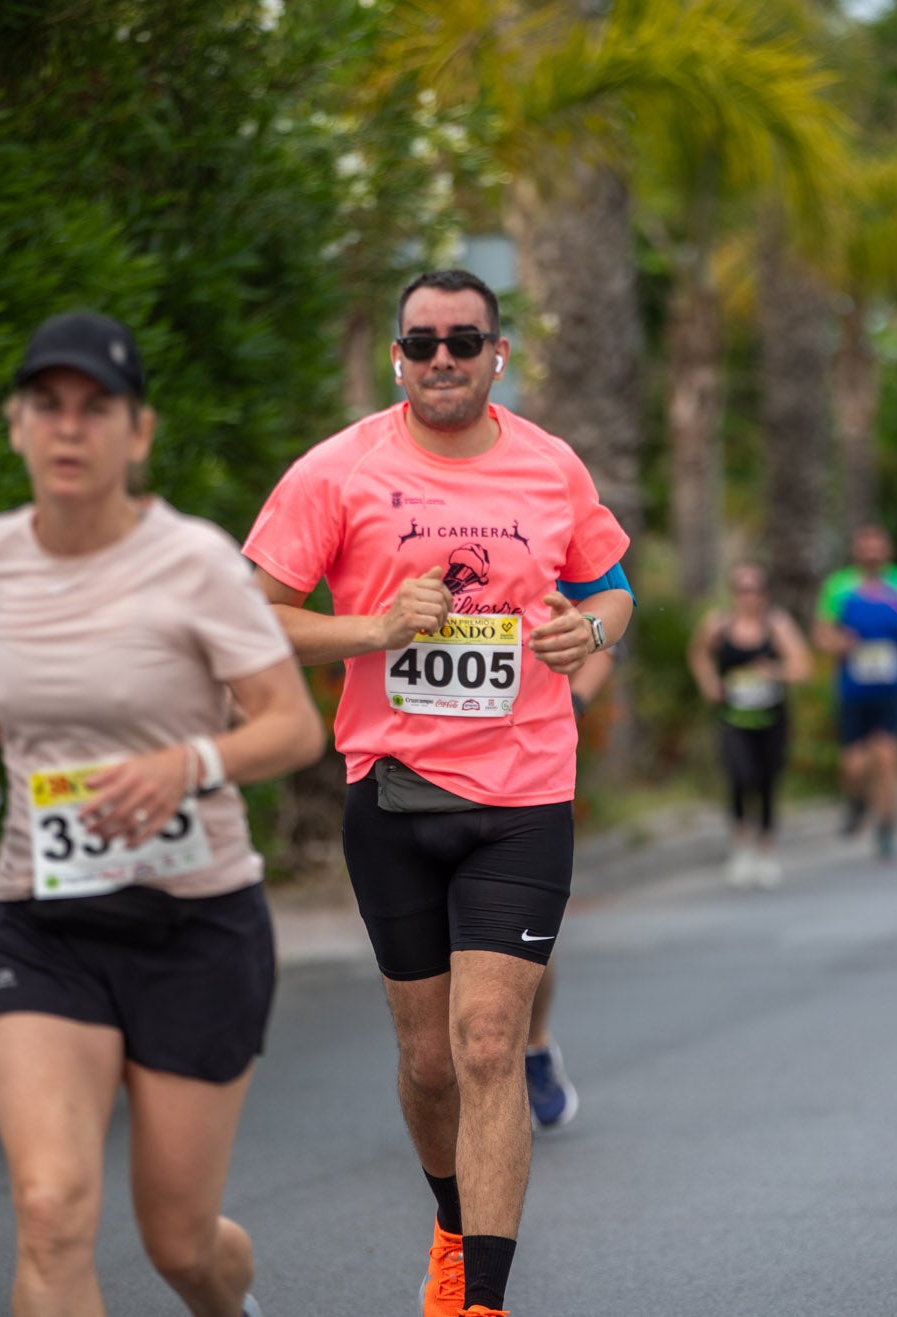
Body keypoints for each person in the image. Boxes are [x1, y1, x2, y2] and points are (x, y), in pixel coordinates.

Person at [0, 311, 324, 1317]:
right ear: (15, 425)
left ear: (138, 433)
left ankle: (229, 1299)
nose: (69, 428)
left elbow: (293, 726)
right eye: (48, 405)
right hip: (48, 921)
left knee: (179, 1242)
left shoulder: (197, 562)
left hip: (196, 925)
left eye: (97, 408)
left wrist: (189, 762)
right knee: (49, 1211)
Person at [243, 269, 633, 1317]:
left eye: (465, 340)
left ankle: (483, 1301)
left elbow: (611, 587)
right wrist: (371, 629)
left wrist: (587, 630)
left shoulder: (549, 465)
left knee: (488, 1042)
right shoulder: (337, 472)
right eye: (423, 343)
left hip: (523, 793)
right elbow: (254, 614)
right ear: (397, 356)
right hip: (395, 793)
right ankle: (451, 1226)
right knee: (426, 1063)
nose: (444, 358)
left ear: (497, 353)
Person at [522, 650, 616, 1134]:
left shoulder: (547, 571)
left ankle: (535, 1045)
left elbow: (603, 642)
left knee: (526, 934)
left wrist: (569, 706)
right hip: (420, 772)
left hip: (523, 775)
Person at [687, 561, 813, 887]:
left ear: (766, 593)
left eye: (756, 590)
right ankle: (741, 848)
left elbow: (803, 667)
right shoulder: (718, 624)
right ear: (733, 593)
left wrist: (775, 672)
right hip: (733, 719)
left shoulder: (777, 625)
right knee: (741, 777)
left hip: (771, 719)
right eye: (743, 589)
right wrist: (710, 682)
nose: (749, 597)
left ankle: (766, 851)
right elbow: (698, 654)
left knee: (768, 782)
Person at [814, 524, 897, 861]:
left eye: (877, 547)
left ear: (888, 550)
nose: (872, 554)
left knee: (888, 756)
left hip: (892, 688)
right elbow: (822, 633)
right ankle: (857, 801)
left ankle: (887, 827)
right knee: (854, 765)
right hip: (853, 689)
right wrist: (840, 643)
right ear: (856, 551)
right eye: (866, 547)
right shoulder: (839, 587)